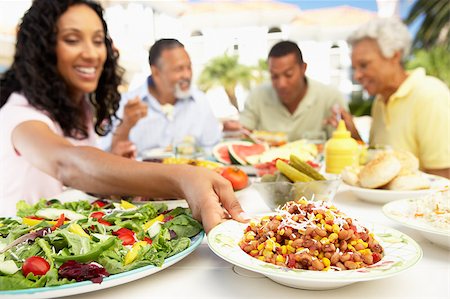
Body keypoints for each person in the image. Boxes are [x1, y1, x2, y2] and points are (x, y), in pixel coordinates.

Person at [0, 0, 247, 232]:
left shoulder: (80, 109)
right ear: (42, 48)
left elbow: (80, 177)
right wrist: (182, 177)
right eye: (72, 40)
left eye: (98, 41)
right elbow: (68, 165)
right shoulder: (19, 114)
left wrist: (112, 160)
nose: (92, 54)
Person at [326, 17, 450, 178]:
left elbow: (444, 177)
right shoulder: (379, 100)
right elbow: (379, 164)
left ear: (394, 56)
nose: (357, 75)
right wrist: (354, 136)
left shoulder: (430, 94)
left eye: (364, 65)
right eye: (354, 68)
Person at [101, 38, 222, 157]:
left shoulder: (200, 101)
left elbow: (212, 150)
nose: (187, 75)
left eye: (189, 67)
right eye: (179, 69)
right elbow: (105, 158)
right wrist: (125, 125)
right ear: (156, 72)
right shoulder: (126, 104)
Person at [224, 40, 348, 141]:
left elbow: (346, 144)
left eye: (288, 74)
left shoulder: (330, 97)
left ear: (303, 68)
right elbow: (244, 131)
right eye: (274, 76)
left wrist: (350, 131)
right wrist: (234, 131)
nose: (281, 84)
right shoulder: (257, 96)